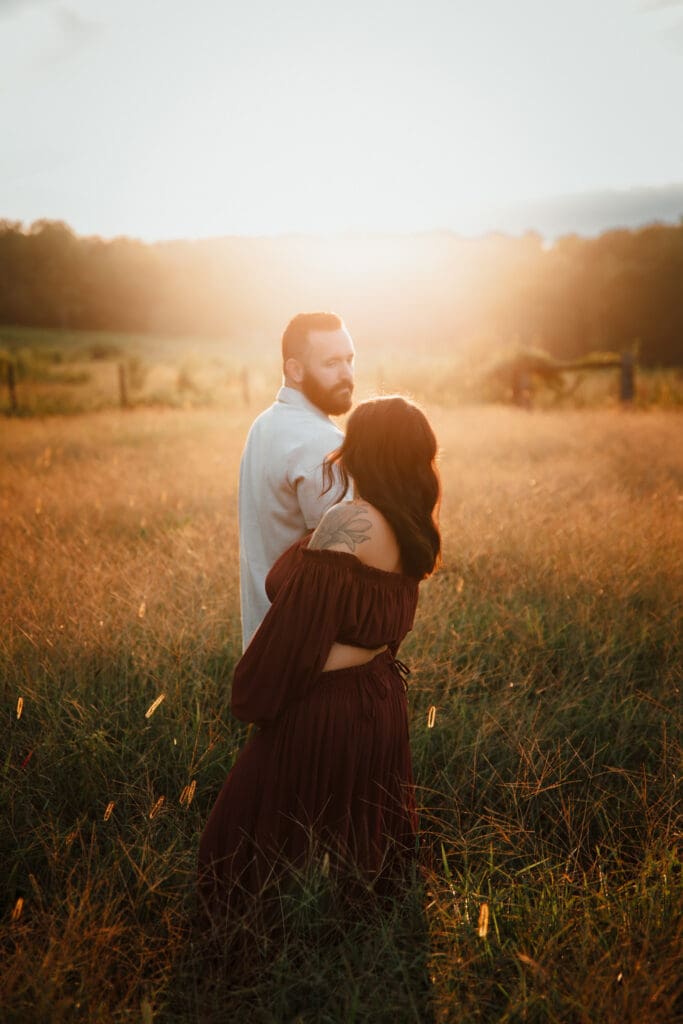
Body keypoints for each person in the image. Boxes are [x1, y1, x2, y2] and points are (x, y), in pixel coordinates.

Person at [199, 395, 441, 931]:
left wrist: (258, 699)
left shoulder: (348, 521)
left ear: (363, 452)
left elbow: (295, 632)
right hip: (380, 701)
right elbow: (387, 622)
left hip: (326, 708)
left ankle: (244, 952)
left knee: (234, 845)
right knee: (358, 843)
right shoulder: (411, 525)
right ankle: (355, 945)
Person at [239, 311, 355, 650]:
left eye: (350, 360)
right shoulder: (324, 443)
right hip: (309, 653)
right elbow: (343, 565)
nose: (347, 374)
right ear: (295, 370)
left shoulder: (263, 425)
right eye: (331, 363)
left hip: (263, 642)